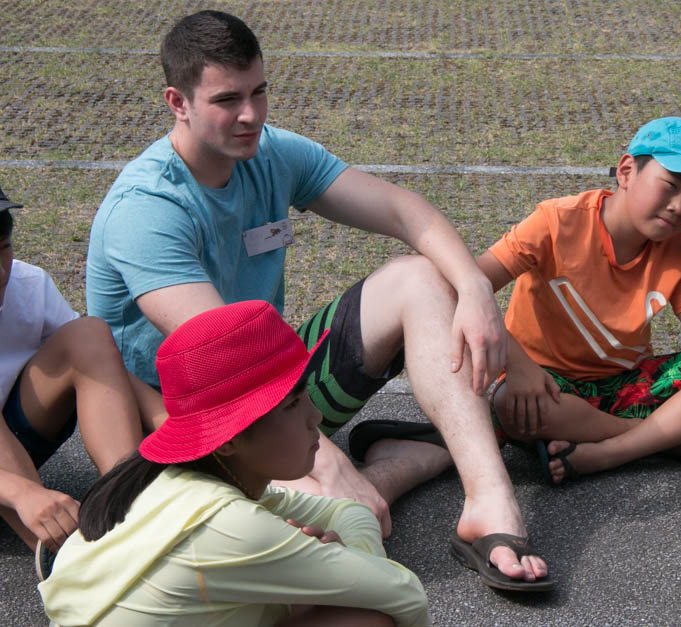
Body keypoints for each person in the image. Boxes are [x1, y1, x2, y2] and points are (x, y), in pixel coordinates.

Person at [84, 10, 549, 589]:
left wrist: (476, 289)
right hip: (184, 421)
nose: (251, 115)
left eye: (258, 92)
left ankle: (490, 504)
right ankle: (402, 465)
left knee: (421, 278)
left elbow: (404, 211)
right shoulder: (146, 208)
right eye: (227, 100)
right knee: (319, 524)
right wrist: (328, 464)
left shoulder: (270, 152)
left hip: (272, 393)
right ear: (177, 102)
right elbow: (225, 352)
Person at [38, 301, 429, 626]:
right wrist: (354, 565)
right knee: (367, 618)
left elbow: (349, 511)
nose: (315, 417)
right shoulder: (230, 524)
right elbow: (405, 594)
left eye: (305, 394)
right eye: (292, 405)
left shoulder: (177, 481)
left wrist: (348, 564)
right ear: (227, 441)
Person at [476, 117, 681, 483]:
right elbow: (467, 286)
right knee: (509, 404)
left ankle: (609, 452)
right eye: (670, 185)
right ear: (626, 171)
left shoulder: (679, 250)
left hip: (628, 385)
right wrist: (518, 365)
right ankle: (665, 438)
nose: (678, 206)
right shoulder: (556, 221)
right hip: (546, 383)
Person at [0, 186, 163, 557]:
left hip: (16, 443)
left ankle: (131, 507)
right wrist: (20, 491)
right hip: (14, 485)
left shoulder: (29, 284)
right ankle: (62, 559)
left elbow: (99, 365)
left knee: (87, 334)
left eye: (3, 247)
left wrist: (182, 428)